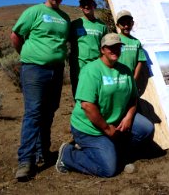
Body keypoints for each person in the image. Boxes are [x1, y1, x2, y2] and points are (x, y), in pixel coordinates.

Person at [55, 33, 154, 177]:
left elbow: (133, 97)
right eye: (110, 47)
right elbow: (87, 105)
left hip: (116, 121)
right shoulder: (91, 71)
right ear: (102, 49)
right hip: (90, 127)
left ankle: (113, 149)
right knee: (108, 169)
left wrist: (129, 116)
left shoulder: (125, 70)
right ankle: (68, 155)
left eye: (118, 47)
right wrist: (107, 129)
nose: (115, 50)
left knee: (146, 129)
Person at [10, 0, 70, 181]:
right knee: (33, 112)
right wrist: (27, 56)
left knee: (50, 111)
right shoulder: (34, 12)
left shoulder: (65, 17)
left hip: (57, 70)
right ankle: (26, 161)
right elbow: (16, 35)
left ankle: (43, 151)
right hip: (34, 70)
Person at [69, 0, 108, 97]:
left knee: (97, 95)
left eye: (89, 3)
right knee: (79, 96)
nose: (86, 6)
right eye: (83, 3)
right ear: (80, 7)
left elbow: (105, 48)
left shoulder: (102, 26)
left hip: (97, 67)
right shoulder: (75, 24)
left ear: (94, 5)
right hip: (78, 68)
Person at [115, 10, 146, 81]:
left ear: (132, 23)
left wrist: (134, 79)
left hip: (131, 79)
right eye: (123, 23)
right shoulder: (114, 40)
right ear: (117, 25)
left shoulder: (136, 42)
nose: (126, 26)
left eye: (128, 23)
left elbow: (140, 61)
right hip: (117, 79)